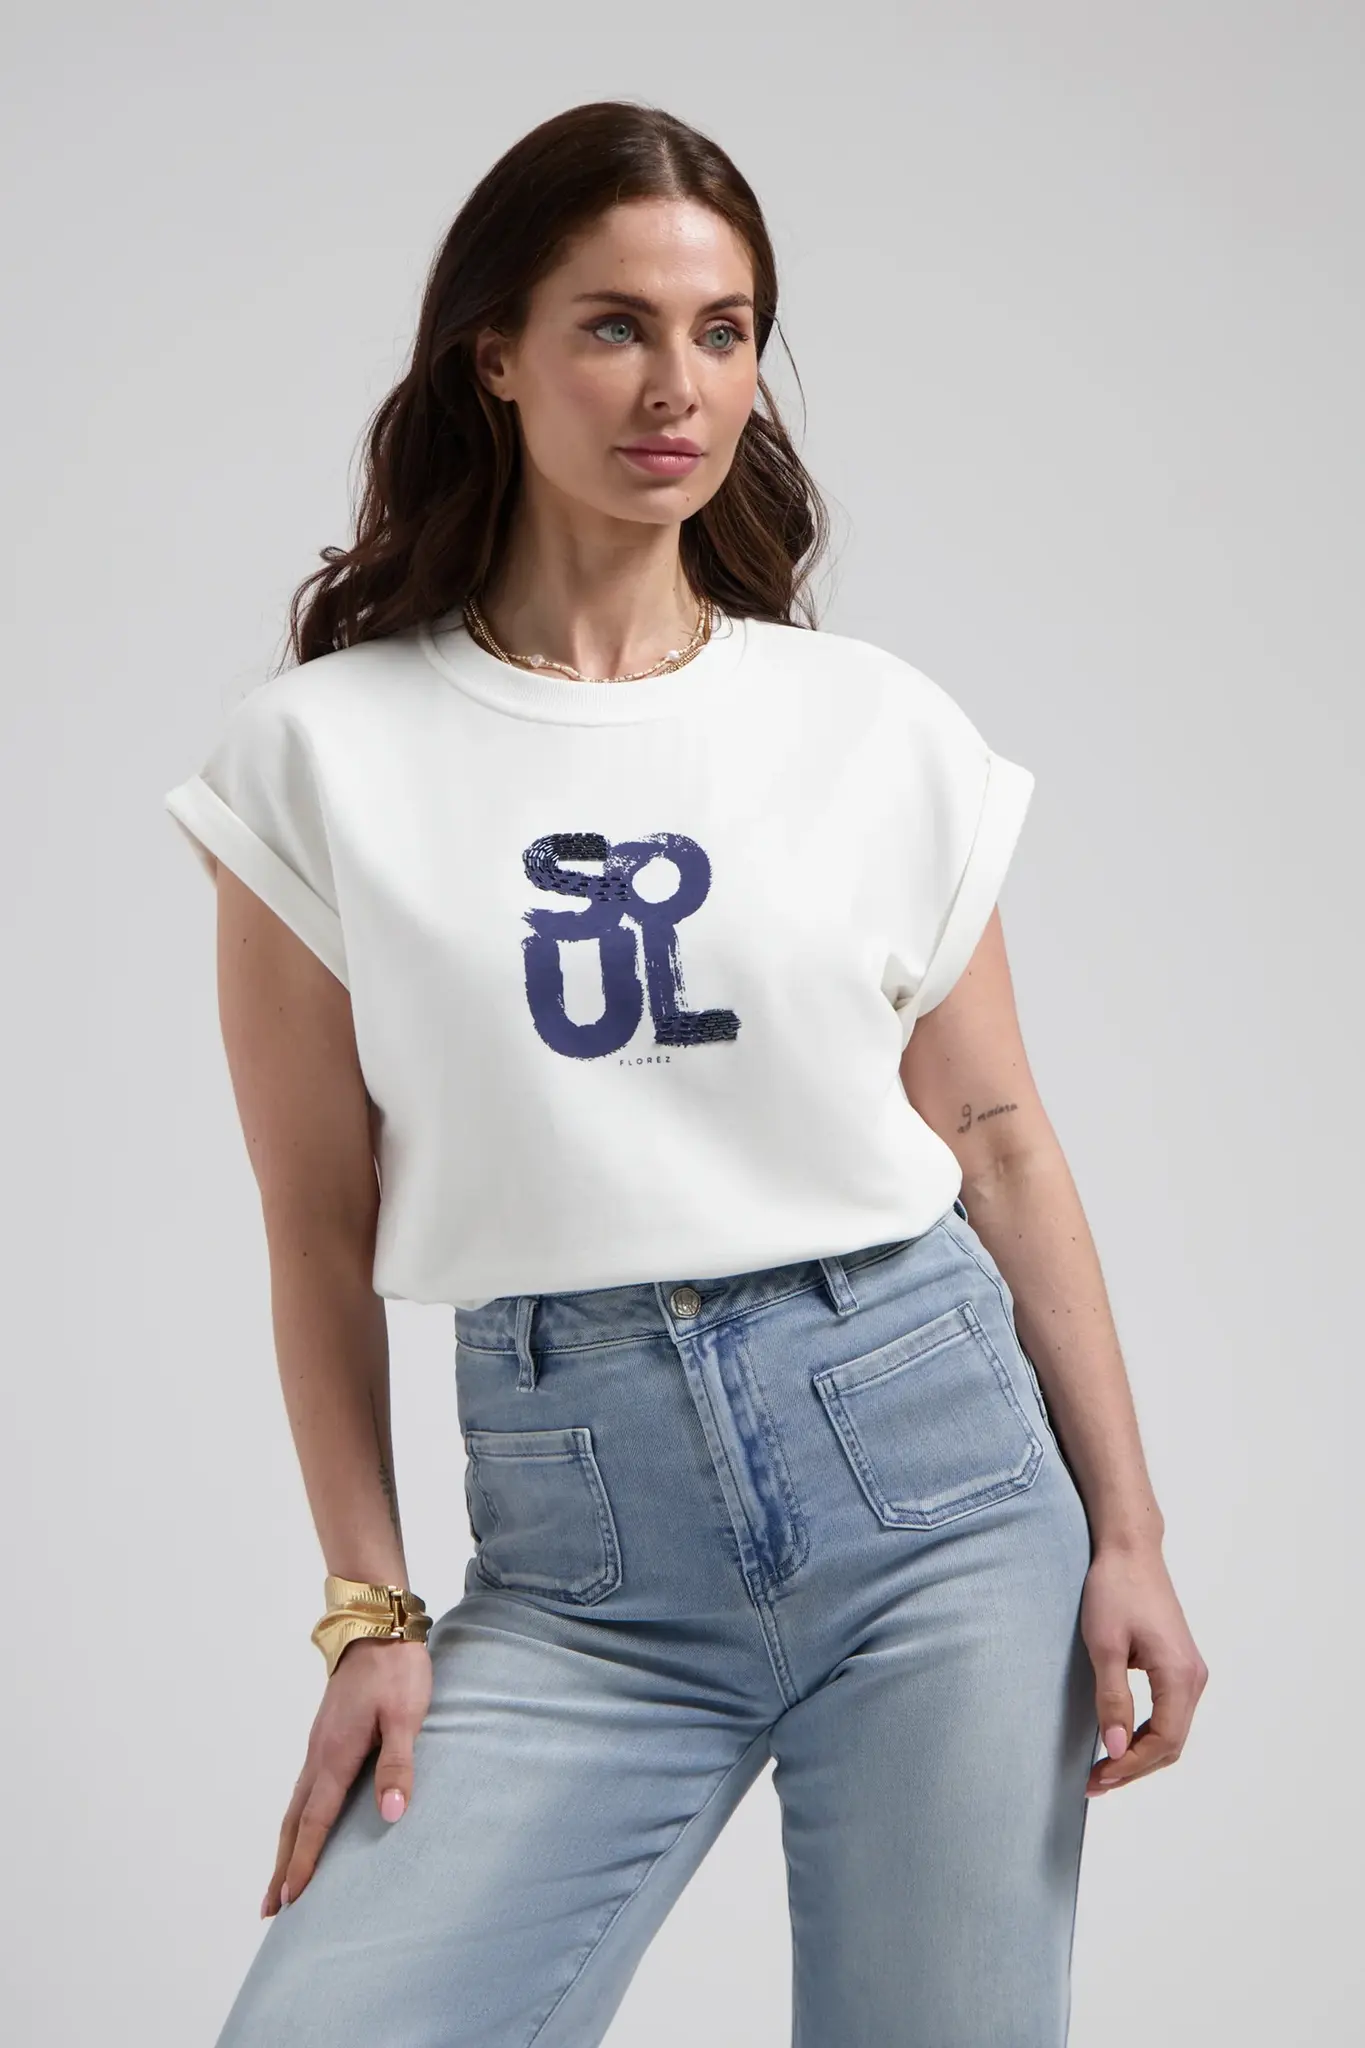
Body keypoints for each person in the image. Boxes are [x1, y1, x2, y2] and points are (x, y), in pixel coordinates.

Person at [163, 98, 1207, 2048]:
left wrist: (1129, 1533)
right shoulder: (319, 759)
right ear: (494, 354)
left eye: (724, 332)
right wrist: (368, 1607)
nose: (678, 386)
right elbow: (314, 1225)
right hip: (581, 1551)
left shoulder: (868, 725)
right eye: (614, 326)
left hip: (935, 1491)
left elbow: (996, 1139)